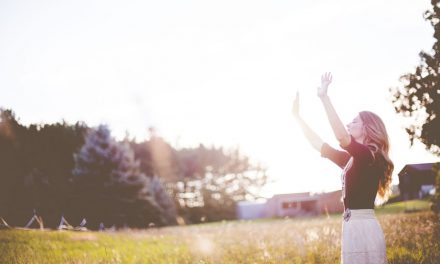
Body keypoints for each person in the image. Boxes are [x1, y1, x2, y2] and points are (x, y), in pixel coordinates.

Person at [292, 72, 393, 264]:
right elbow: (318, 144)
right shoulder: (353, 159)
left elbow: (341, 138)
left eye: (354, 122)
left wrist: (324, 98)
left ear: (367, 128)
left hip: (363, 228)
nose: (348, 124)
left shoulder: (369, 156)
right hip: (352, 226)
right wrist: (297, 118)